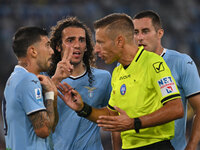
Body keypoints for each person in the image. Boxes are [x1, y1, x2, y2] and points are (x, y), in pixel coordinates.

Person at [57, 13, 184, 150]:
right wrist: (83, 108)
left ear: (119, 41)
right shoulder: (118, 72)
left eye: (100, 42)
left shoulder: (154, 63)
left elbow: (176, 108)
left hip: (156, 146)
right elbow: (112, 115)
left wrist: (135, 123)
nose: (96, 49)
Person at [132, 10, 200, 150]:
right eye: (135, 32)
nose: (139, 37)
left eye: (145, 31)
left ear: (160, 33)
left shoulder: (181, 62)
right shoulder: (124, 66)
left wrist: (192, 146)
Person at [48, 17, 112, 150]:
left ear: (86, 46)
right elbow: (37, 120)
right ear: (58, 46)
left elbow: (113, 117)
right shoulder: (45, 78)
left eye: (81, 40)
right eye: (70, 40)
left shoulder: (103, 78)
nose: (77, 45)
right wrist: (54, 81)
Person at [2, 26, 58, 150]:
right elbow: (44, 130)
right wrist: (50, 95)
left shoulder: (13, 80)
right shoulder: (28, 80)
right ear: (33, 51)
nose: (52, 51)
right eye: (47, 45)